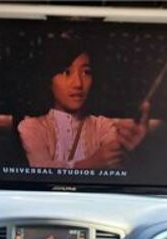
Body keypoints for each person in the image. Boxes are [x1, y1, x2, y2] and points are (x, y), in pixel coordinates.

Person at [18, 36, 149, 169]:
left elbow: (117, 159)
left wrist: (133, 147)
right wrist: (91, 163)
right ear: (49, 80)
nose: (78, 84)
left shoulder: (102, 126)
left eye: (86, 72)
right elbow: (41, 169)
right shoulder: (32, 127)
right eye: (66, 72)